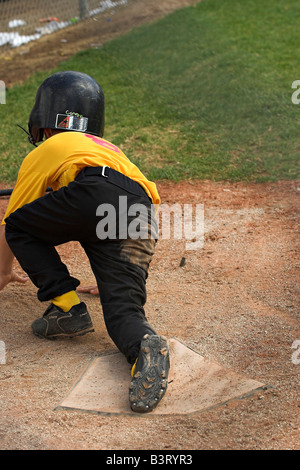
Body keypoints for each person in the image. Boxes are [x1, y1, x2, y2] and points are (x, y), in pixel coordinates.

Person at [0, 71, 170, 413]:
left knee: (20, 225)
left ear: (44, 125)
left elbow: (13, 221)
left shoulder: (49, 148)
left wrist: (3, 270)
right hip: (141, 213)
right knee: (123, 312)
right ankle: (144, 348)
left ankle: (67, 306)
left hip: (93, 194)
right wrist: (110, 279)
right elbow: (119, 202)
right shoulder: (109, 150)